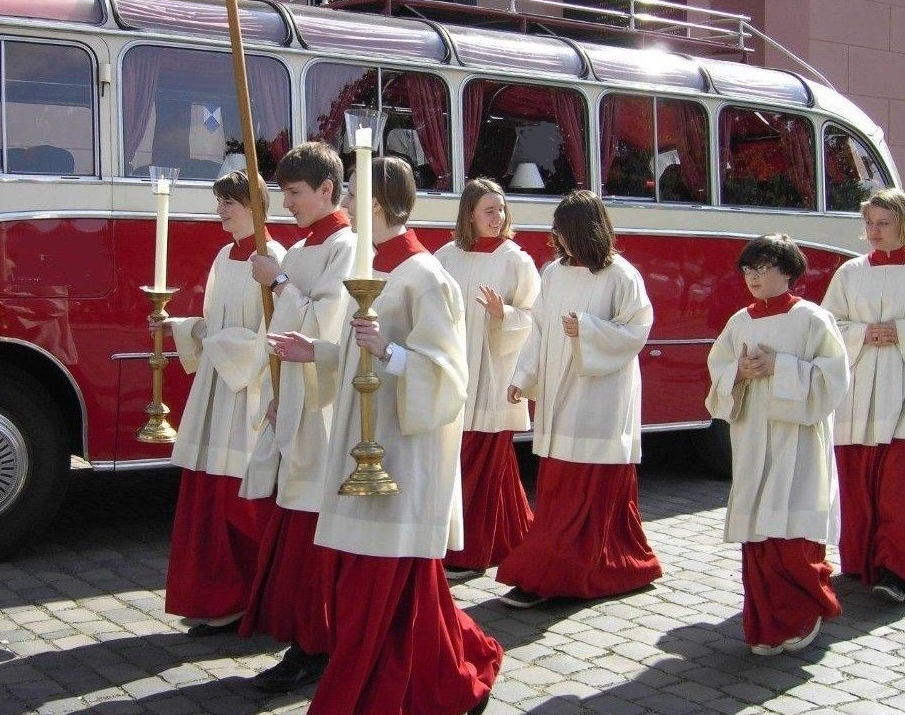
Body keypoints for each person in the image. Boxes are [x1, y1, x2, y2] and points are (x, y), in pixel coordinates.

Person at [269, 156, 502, 715]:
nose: (344, 207)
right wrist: (318, 352)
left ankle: (376, 694)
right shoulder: (375, 273)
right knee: (386, 587)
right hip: (362, 450)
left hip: (403, 457)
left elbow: (448, 378)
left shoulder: (426, 277)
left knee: (383, 585)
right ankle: (446, 676)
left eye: (351, 197)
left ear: (376, 205)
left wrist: (390, 352)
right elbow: (357, 358)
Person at [496, 189, 661, 608]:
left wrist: (587, 330)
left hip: (600, 397)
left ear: (586, 231)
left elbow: (636, 331)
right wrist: (524, 376)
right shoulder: (553, 273)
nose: (559, 239)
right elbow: (537, 328)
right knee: (559, 486)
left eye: (565, 231)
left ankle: (572, 568)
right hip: (558, 393)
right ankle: (563, 563)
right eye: (557, 231)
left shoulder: (621, 276)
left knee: (588, 487)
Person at [237, 142, 356, 691]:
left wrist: (279, 282)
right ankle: (303, 635)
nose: (285, 204)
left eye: (295, 193)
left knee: (313, 530)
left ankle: (319, 640)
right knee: (290, 523)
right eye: (283, 193)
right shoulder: (307, 245)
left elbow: (327, 327)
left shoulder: (345, 247)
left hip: (323, 408)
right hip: (293, 401)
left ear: (328, 190)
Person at [706, 234, 849, 655]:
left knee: (793, 529)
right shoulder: (740, 321)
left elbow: (835, 379)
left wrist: (781, 367)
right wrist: (740, 372)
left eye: (763, 268)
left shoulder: (813, 319)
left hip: (798, 439)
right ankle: (767, 620)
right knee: (761, 533)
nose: (753, 277)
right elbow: (718, 371)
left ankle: (805, 609)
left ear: (789, 271)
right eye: (748, 269)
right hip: (753, 437)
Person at [161, 171, 285, 636]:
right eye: (219, 202)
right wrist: (180, 327)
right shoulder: (222, 256)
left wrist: (212, 340)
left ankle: (247, 595)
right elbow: (213, 323)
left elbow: (271, 337)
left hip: (251, 394)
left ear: (255, 205)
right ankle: (214, 593)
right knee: (210, 495)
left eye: (229, 202)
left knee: (243, 502)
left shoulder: (273, 258)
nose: (221, 210)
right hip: (218, 390)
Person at [821, 187, 905, 603]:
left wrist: (903, 332)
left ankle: (899, 570)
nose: (874, 232)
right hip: (860, 393)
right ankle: (862, 561)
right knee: (859, 483)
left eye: (884, 223)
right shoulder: (850, 272)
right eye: (869, 223)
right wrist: (863, 333)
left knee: (902, 488)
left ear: (904, 223)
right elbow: (828, 326)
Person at [434, 178, 539, 580]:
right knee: (488, 466)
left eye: (501, 210)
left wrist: (503, 315)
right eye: (489, 211)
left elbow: (534, 318)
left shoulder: (516, 260)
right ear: (469, 215)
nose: (498, 218)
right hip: (457, 370)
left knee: (479, 461)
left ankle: (469, 552)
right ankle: (510, 538)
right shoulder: (447, 255)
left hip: (495, 376)